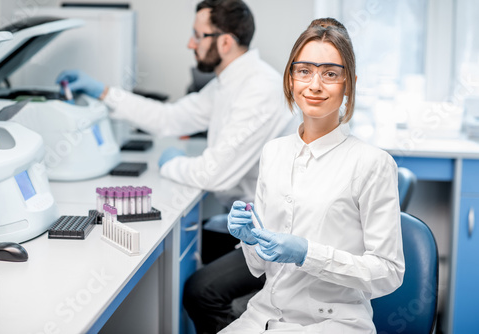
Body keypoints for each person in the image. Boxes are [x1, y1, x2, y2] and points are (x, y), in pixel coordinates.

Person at [220, 17, 405, 333]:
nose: (315, 85)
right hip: (263, 316)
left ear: (349, 83)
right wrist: (250, 239)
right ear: (291, 78)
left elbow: (388, 273)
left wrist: (308, 254)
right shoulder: (273, 153)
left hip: (334, 323)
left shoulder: (372, 163)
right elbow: (260, 266)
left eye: (330, 74)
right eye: (304, 71)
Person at [56, 0, 296, 211]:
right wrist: (104, 93)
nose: (190, 44)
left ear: (225, 43)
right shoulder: (229, 82)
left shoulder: (260, 89)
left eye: (198, 36)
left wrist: (171, 163)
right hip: (245, 219)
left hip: (273, 237)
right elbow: (169, 118)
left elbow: (213, 175)